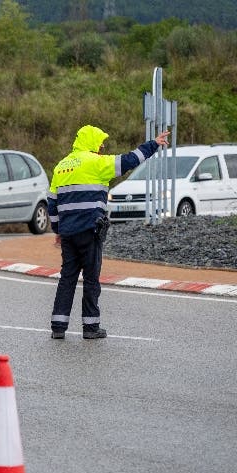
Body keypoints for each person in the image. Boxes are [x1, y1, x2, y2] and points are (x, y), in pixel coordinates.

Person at [48, 125, 170, 339]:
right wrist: (154, 144)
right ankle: (91, 327)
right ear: (91, 141)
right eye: (100, 141)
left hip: (68, 234)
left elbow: (52, 204)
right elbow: (130, 160)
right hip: (89, 231)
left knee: (67, 278)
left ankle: (58, 327)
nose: (103, 146)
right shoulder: (96, 163)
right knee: (91, 279)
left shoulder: (61, 166)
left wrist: (58, 230)